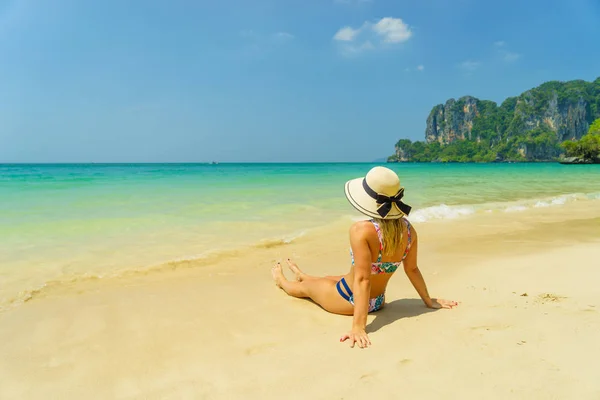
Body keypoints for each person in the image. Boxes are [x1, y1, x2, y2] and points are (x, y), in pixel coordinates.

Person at [271, 166, 458, 348]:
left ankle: (282, 281)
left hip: (348, 300)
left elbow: (363, 279)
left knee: (304, 289)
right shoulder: (409, 231)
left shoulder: (361, 230)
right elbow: (412, 269)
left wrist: (358, 327)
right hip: (378, 302)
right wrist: (428, 300)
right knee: (328, 279)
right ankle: (304, 275)